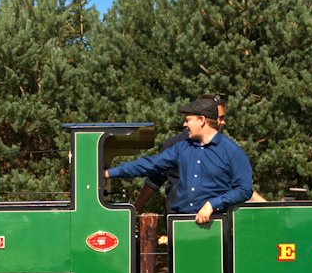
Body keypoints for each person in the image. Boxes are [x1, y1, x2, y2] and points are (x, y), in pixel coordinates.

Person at [105, 96, 253, 224]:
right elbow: (151, 164)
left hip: (215, 225)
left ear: (202, 120)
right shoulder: (181, 148)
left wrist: (212, 204)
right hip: (179, 223)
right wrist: (109, 173)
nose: (184, 124)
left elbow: (244, 190)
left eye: (188, 120)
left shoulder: (233, 152)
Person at [133, 95, 266, 212]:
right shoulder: (174, 145)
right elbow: (153, 182)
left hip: (214, 220)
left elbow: (242, 188)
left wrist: (271, 209)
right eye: (219, 118)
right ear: (204, 119)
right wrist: (135, 209)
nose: (223, 122)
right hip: (179, 220)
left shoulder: (225, 149)